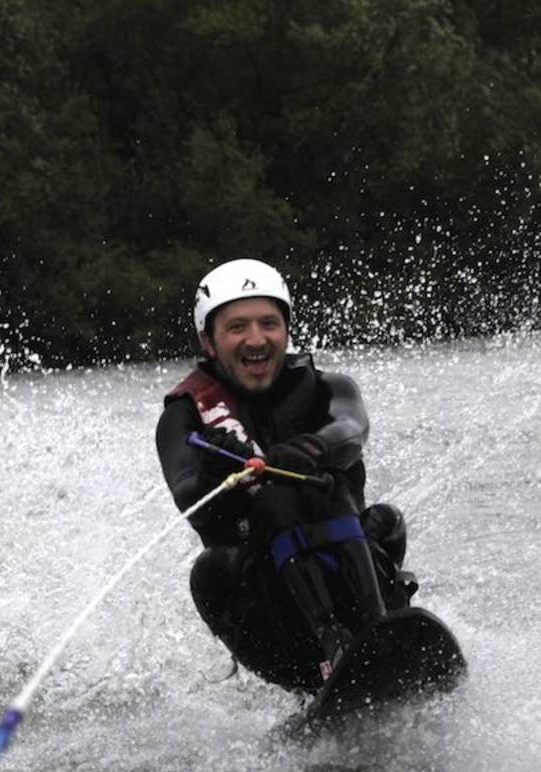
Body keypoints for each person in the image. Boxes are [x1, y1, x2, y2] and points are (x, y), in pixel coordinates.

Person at [156, 258, 416, 694]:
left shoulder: (329, 388)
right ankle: (329, 653)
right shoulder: (184, 416)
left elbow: (351, 428)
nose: (256, 339)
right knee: (228, 550)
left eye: (268, 324)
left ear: (286, 329)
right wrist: (212, 467)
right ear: (209, 340)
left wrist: (315, 448)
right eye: (237, 327)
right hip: (269, 610)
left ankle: (376, 633)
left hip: (347, 572)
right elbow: (186, 491)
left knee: (381, 518)